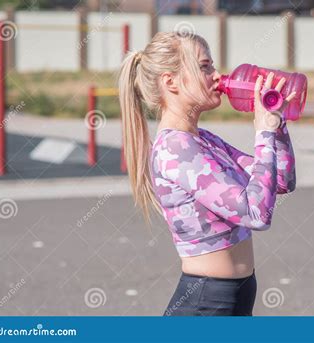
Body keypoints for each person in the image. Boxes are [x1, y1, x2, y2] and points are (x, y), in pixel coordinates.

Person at [118, 31, 296, 316]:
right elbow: (257, 213)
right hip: (207, 303)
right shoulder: (176, 148)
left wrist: (277, 123)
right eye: (204, 66)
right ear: (170, 82)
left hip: (235, 298)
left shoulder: (204, 140)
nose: (217, 75)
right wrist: (262, 132)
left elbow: (282, 181)